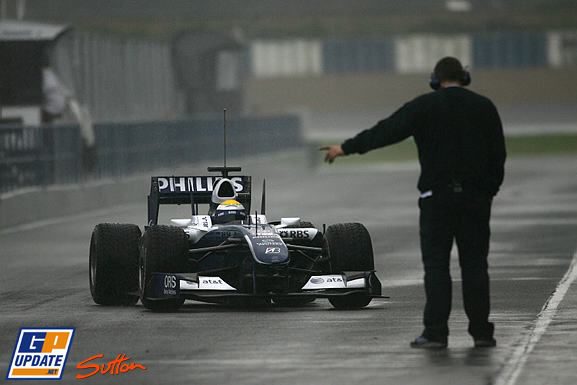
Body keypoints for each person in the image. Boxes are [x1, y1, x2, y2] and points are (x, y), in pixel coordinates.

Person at [321, 57, 506, 349]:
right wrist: (487, 191)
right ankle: (482, 333)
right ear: (464, 77)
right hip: (475, 200)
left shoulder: (424, 106)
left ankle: (435, 333)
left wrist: (345, 148)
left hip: (437, 200)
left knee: (436, 268)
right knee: (475, 266)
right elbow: (498, 155)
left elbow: (386, 131)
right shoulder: (484, 107)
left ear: (436, 79)